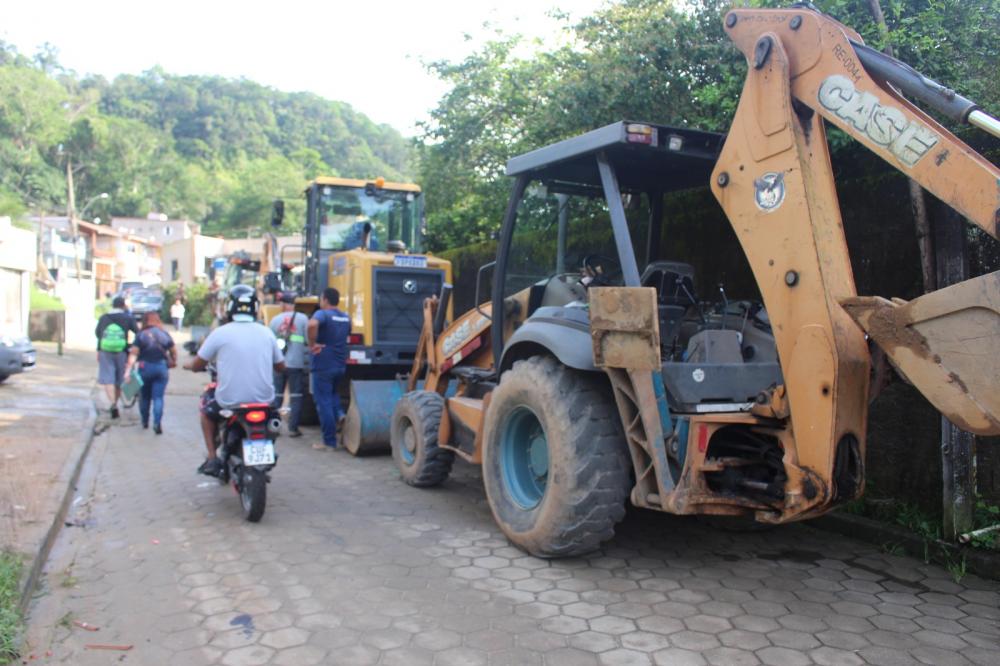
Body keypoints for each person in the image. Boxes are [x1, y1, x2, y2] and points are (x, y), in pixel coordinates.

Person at [184, 285, 285, 476]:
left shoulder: (220, 333)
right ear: (255, 307)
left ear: (229, 307)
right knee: (274, 420)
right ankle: (266, 448)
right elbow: (281, 367)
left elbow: (197, 364)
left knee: (206, 412)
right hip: (264, 401)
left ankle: (213, 458)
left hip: (230, 401)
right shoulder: (266, 333)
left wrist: (188, 365)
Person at [307, 287, 350, 451]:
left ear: (324, 299)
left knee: (323, 402)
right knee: (332, 395)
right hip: (339, 365)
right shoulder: (346, 317)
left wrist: (312, 344)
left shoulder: (322, 314)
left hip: (323, 365)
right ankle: (340, 415)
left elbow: (312, 324)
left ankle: (329, 442)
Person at [125, 311, 177, 434]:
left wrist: (128, 370)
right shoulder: (164, 334)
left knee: (144, 397)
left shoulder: (141, 335)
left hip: (145, 368)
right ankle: (157, 423)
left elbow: (133, 354)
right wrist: (173, 360)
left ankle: (144, 421)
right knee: (158, 397)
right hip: (161, 368)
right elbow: (174, 351)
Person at [269, 293, 309, 437]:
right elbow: (308, 340)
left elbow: (270, 343)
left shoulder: (274, 320)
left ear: (283, 305)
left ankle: (273, 426)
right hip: (296, 364)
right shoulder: (303, 319)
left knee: (277, 395)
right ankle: (293, 428)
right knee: (296, 396)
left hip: (279, 363)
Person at [95, 295, 138, 419]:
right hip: (122, 351)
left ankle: (113, 404)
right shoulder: (127, 318)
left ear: (113, 305)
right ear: (123, 306)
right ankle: (116, 402)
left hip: (105, 351)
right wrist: (131, 346)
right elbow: (138, 333)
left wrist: (99, 350)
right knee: (119, 379)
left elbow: (98, 334)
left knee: (108, 379)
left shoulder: (104, 318)